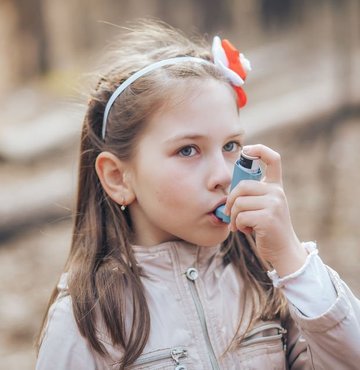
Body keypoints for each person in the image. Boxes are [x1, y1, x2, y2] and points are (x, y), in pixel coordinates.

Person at [36, 19, 360, 369]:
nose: (223, 175)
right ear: (118, 178)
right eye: (188, 150)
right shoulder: (87, 319)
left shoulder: (268, 281)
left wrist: (292, 259)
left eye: (231, 145)